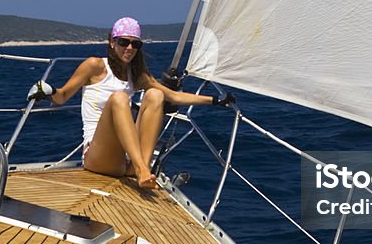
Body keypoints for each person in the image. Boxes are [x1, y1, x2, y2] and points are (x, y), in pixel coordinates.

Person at [31, 17, 232, 190]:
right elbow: (62, 96)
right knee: (119, 98)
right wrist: (47, 90)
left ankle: (141, 168)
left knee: (155, 95)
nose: (129, 48)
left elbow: (174, 96)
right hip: (97, 156)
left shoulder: (135, 75)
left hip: (124, 160)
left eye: (135, 44)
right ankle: (142, 169)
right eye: (123, 42)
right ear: (112, 42)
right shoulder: (94, 66)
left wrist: (215, 100)